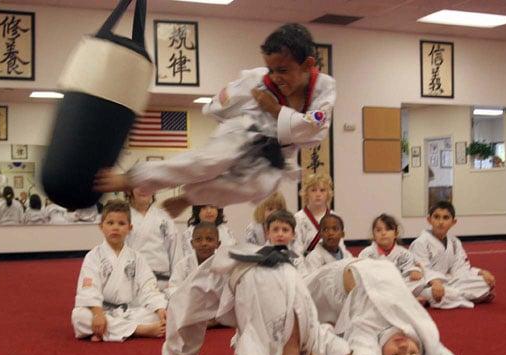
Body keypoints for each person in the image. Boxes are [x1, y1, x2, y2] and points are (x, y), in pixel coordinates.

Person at [94, 23, 336, 217]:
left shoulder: (323, 89)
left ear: (308, 65)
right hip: (245, 129)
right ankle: (133, 179)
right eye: (271, 69)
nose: (275, 76)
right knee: (212, 161)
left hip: (278, 153)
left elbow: (314, 131)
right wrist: (231, 111)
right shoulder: (257, 80)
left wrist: (274, 109)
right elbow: (215, 107)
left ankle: (190, 197)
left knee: (259, 187)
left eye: (283, 70)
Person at [143, 210, 353, 355]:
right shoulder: (315, 337)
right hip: (278, 268)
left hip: (230, 271)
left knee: (182, 304)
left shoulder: (256, 351)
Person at [305, 258, 474, 355]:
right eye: (412, 353)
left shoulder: (367, 330)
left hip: (338, 292)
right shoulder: (424, 337)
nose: (403, 347)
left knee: (295, 314)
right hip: (353, 273)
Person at [70, 200, 168, 342]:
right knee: (79, 316)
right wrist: (97, 314)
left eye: (121, 224)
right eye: (110, 223)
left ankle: (105, 332)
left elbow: (148, 286)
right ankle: (138, 330)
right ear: (101, 226)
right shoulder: (93, 256)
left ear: (130, 228)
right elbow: (89, 289)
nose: (115, 228)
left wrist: (159, 308)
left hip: (129, 311)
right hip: (101, 310)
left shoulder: (137, 257)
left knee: (155, 314)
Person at [409, 201, 495, 309]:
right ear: (429, 220)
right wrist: (435, 282)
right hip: (426, 285)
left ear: (453, 222)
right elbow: (421, 269)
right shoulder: (420, 242)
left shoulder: (455, 242)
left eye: (445, 218)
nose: (440, 222)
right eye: (436, 217)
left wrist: (479, 273)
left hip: (448, 283)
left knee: (484, 283)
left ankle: (448, 299)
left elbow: (461, 268)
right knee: (436, 292)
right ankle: (469, 297)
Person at [358, 214, 426, 300]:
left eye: (388, 229)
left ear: (396, 233)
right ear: (373, 235)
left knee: (419, 281)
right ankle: (405, 299)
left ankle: (399, 298)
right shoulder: (367, 253)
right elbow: (362, 275)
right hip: (378, 287)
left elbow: (409, 270)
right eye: (378, 230)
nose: (383, 233)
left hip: (398, 286)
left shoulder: (404, 254)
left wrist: (415, 271)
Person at [126, 188, 182, 289]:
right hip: (132, 282)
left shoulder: (164, 217)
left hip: (162, 282)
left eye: (148, 186)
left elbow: (175, 253)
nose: (143, 189)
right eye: (138, 186)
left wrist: (175, 283)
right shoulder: (122, 217)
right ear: (129, 191)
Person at [293, 173, 341, 257]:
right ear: (306, 193)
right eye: (313, 190)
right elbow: (297, 249)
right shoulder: (298, 218)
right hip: (307, 263)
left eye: (322, 190)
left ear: (328, 194)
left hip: (331, 262)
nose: (318, 194)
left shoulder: (335, 217)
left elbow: (340, 247)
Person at [167, 222, 220, 298]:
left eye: (209, 239)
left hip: (214, 308)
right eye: (198, 239)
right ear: (192, 243)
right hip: (186, 305)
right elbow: (172, 289)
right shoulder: (183, 265)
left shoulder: (223, 266)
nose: (204, 243)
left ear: (218, 244)